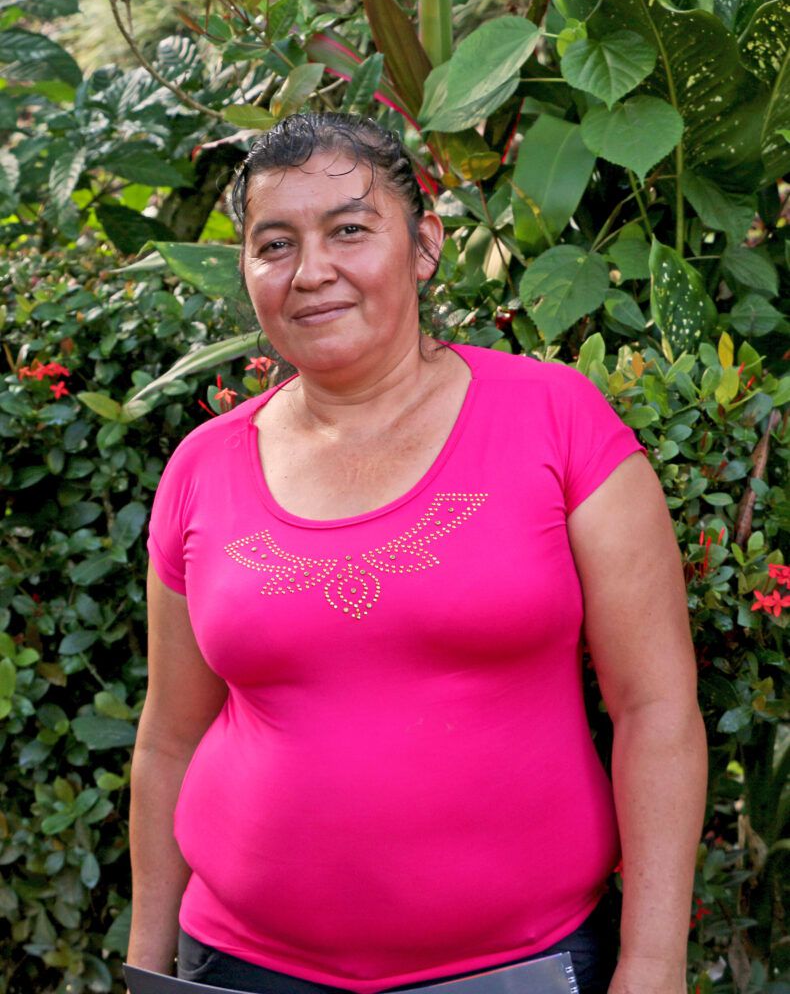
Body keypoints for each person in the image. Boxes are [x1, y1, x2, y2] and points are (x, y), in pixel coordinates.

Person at [128, 112, 707, 994]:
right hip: (239, 968)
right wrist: (145, 965)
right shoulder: (202, 468)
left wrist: (654, 966)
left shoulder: (555, 421)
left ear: (424, 244)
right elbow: (169, 740)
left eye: (349, 230)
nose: (311, 271)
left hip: (518, 971)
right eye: (273, 244)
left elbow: (656, 708)